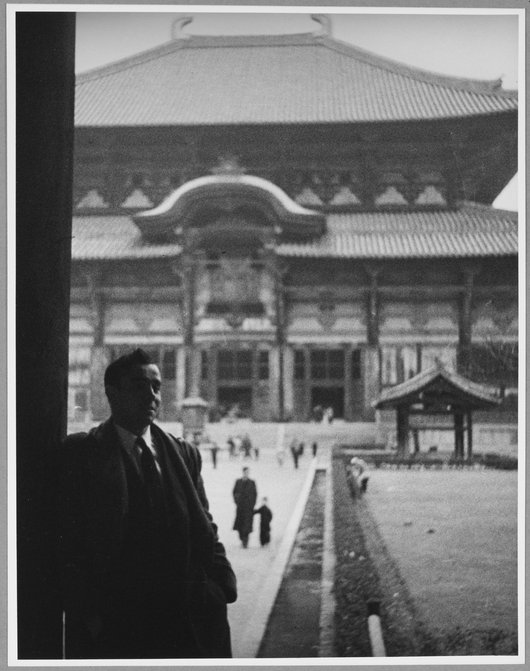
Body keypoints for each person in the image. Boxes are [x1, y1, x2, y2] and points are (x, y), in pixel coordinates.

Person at [57, 349, 237, 659]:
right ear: (112, 393)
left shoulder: (184, 454)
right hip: (117, 622)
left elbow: (205, 527)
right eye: (140, 386)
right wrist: (89, 614)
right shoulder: (82, 453)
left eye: (156, 387)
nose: (152, 395)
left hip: (186, 616)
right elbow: (65, 542)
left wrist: (219, 588)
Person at [232, 466, 257, 548]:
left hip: (248, 508)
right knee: (240, 524)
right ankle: (242, 537)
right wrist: (237, 501)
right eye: (245, 472)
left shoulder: (252, 482)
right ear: (243, 473)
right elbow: (234, 492)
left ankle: (245, 541)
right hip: (240, 507)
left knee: (247, 525)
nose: (246, 474)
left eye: (247, 472)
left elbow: (255, 494)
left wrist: (252, 504)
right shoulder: (238, 482)